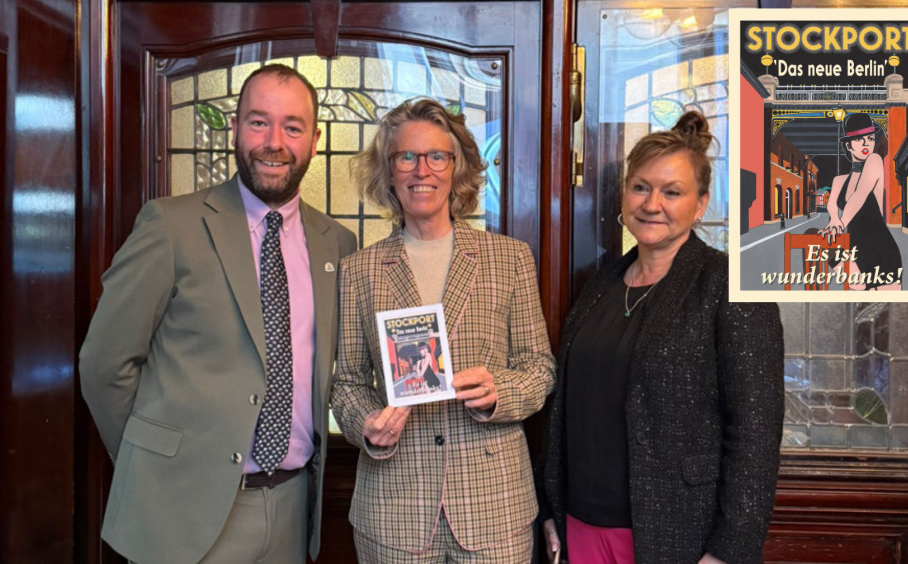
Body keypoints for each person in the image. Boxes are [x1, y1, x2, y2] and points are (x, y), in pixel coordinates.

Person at [79, 64, 357, 564]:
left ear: (314, 139)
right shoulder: (170, 225)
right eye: (258, 122)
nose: (274, 142)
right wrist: (156, 462)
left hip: (293, 508)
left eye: (292, 127)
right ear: (234, 128)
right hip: (182, 510)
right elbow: (105, 365)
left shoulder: (337, 243)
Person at [541, 112, 784, 564]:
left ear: (700, 204)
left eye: (672, 192)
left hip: (678, 533)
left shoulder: (728, 285)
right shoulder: (601, 283)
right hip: (581, 524)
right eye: (641, 187)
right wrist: (552, 506)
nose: (652, 204)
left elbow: (755, 432)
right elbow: (569, 406)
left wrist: (730, 549)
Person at [330, 98, 555, 562]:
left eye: (436, 156)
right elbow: (347, 383)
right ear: (389, 171)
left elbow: (540, 369)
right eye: (405, 157)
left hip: (494, 508)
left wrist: (499, 392)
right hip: (394, 509)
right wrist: (366, 425)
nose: (421, 170)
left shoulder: (508, 258)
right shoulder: (358, 271)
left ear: (456, 168)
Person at [819, 112, 902, 290]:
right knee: (823, 243)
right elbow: (832, 204)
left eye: (871, 138)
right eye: (859, 139)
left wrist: (840, 224)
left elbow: (859, 196)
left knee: (886, 310)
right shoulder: (839, 180)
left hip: (881, 249)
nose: (867, 143)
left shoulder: (874, 161)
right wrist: (834, 217)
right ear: (848, 145)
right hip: (854, 252)